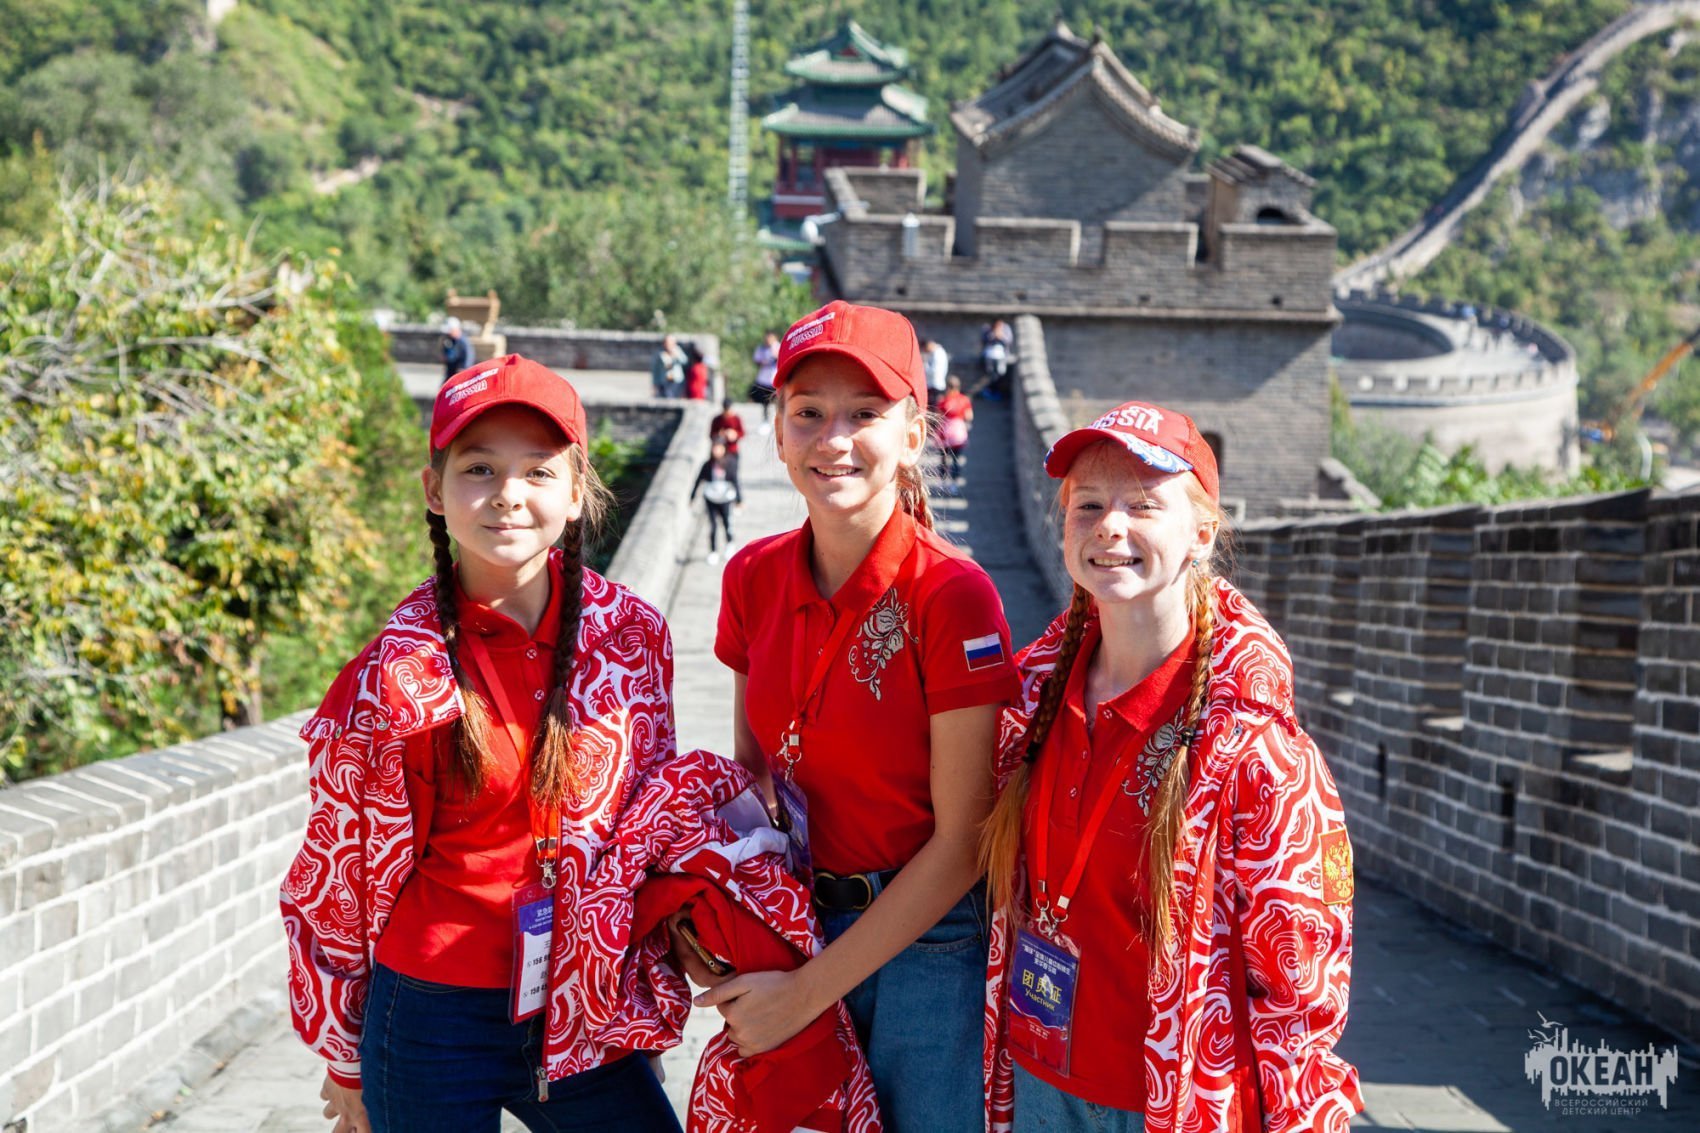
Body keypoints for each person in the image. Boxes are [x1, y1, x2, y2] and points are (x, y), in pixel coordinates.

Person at [281, 354, 683, 1133]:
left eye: (538, 470)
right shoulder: (392, 674)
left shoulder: (631, 637)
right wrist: (344, 1057)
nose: (508, 493)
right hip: (431, 1012)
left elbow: (648, 836)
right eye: (478, 468)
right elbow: (335, 875)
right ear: (434, 491)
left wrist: (636, 1004)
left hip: (581, 998)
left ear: (576, 491)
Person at [980, 401, 1363, 1132]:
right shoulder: (1029, 701)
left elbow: (1301, 988)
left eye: (1143, 505)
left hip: (1170, 1103)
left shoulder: (1254, 746)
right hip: (1035, 1081)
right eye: (1089, 504)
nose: (1109, 525)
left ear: (1202, 532)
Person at [701, 301, 1020, 1133]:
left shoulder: (951, 594)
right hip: (799, 921)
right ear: (778, 432)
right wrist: (720, 913)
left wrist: (805, 994)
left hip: (927, 948)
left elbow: (965, 841)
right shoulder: (751, 577)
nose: (833, 439)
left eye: (864, 414)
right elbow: (754, 775)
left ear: (913, 435)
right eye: (808, 412)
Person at [690, 440, 741, 565]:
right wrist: (692, 497)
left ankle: (729, 544)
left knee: (726, 523)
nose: (717, 451)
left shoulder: (730, 463)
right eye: (715, 448)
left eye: (719, 448)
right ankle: (713, 551)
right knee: (712, 525)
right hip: (711, 498)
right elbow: (698, 480)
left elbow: (735, 481)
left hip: (725, 499)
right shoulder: (708, 465)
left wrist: (739, 500)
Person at [936, 374, 973, 483]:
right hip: (958, 433)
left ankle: (943, 478)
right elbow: (969, 416)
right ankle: (955, 479)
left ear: (947, 387)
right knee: (956, 457)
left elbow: (939, 416)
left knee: (944, 456)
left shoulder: (943, 401)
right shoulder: (964, 399)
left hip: (945, 432)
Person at [750, 330, 780, 429]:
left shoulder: (778, 347)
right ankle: (766, 420)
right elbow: (757, 361)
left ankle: (778, 419)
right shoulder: (761, 348)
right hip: (764, 380)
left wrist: (774, 357)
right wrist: (765, 361)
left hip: (775, 379)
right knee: (764, 402)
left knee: (778, 401)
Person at [980, 319, 1014, 399]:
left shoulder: (1006, 328)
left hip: (1001, 355)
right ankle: (989, 391)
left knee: (1000, 373)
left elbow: (1009, 341)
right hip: (989, 354)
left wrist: (1001, 336)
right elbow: (984, 341)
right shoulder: (987, 328)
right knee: (990, 372)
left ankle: (998, 391)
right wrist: (993, 335)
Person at [652, 334, 686, 400]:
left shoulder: (677, 351)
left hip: (676, 381)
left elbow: (684, 361)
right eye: (667, 342)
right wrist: (655, 384)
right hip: (664, 381)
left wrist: (675, 355)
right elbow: (655, 369)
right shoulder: (660, 353)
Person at [440, 317, 474, 384]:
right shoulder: (449, 340)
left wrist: (463, 368)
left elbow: (469, 356)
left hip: (459, 371)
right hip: (450, 371)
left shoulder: (464, 342)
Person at [921, 338, 950, 410]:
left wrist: (924, 365)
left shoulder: (937, 354)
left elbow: (935, 371)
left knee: (933, 408)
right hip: (934, 384)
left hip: (935, 385)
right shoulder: (936, 353)